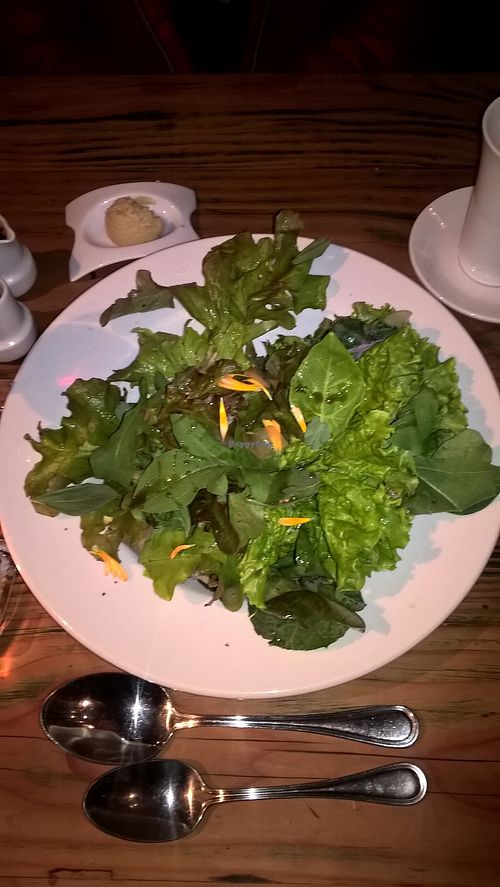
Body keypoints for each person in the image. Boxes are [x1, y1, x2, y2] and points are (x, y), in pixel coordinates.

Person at [0, 0, 498, 76]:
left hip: (317, 101)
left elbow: (394, 22)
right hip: (118, 115)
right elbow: (27, 33)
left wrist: (304, 90)